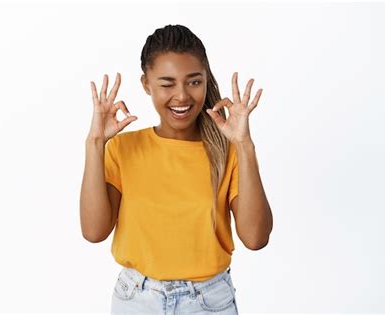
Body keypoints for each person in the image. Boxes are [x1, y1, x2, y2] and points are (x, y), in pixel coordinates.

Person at [80, 24, 273, 314]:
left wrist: (245, 145)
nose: (181, 96)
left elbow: (256, 238)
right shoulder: (122, 149)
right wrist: (95, 143)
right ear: (147, 84)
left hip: (208, 303)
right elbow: (94, 232)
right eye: (167, 84)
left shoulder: (228, 150)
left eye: (194, 82)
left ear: (207, 80)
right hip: (137, 301)